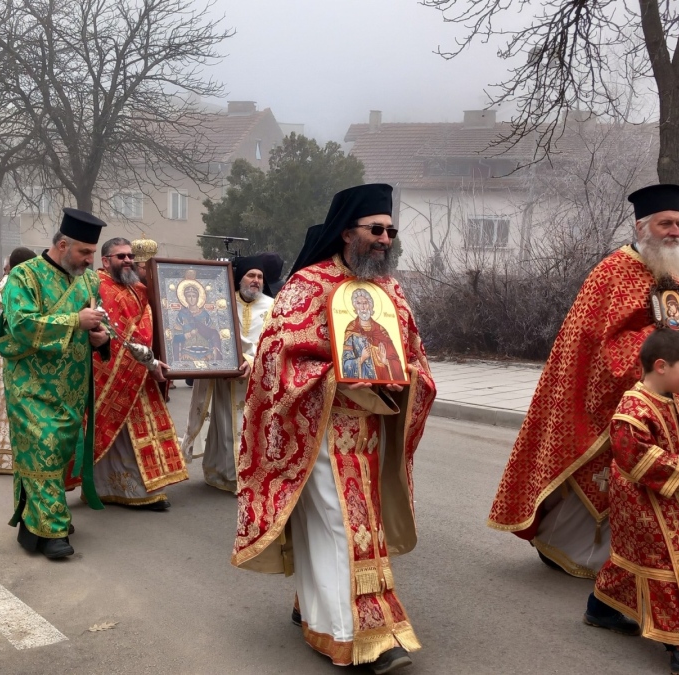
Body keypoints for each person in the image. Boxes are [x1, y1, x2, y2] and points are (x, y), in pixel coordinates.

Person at [231, 184, 437, 674]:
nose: (386, 238)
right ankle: (362, 638)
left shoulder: (389, 290)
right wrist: (339, 377)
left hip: (368, 430)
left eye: (390, 230)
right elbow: (276, 360)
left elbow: (414, 353)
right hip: (320, 426)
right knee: (343, 525)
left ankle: (313, 604)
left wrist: (410, 378)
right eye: (376, 229)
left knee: (353, 524)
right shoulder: (308, 285)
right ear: (348, 232)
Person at [487, 184, 679, 579]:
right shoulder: (613, 271)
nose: (675, 231)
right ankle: (567, 551)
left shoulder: (673, 276)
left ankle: (636, 565)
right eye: (666, 224)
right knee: (602, 481)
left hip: (659, 401)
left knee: (654, 478)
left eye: (678, 224)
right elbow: (604, 344)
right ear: (643, 227)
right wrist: (666, 348)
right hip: (606, 401)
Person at [586, 329, 679, 675]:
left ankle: (600, 608)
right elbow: (634, 455)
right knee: (667, 567)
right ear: (662, 366)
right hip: (639, 502)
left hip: (670, 497)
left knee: (630, 560)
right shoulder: (631, 409)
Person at [0, 208, 110, 560]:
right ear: (62, 244)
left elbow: (97, 323)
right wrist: (75, 319)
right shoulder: (24, 276)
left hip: (71, 387)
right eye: (84, 252)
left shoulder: (89, 281)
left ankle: (37, 519)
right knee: (42, 446)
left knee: (57, 454)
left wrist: (100, 338)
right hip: (30, 384)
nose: (90, 260)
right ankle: (53, 531)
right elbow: (19, 324)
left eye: (92, 252)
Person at [65, 237, 187, 508]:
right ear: (105, 261)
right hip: (110, 372)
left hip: (139, 372)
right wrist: (149, 362)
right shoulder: (98, 288)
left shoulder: (137, 288)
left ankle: (138, 488)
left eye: (130, 256)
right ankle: (116, 489)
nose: (128, 260)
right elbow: (115, 335)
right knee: (116, 433)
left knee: (138, 433)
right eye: (121, 257)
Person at [183, 254, 276, 492]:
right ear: (240, 278)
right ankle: (226, 474)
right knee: (225, 426)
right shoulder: (222, 303)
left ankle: (252, 476)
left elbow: (274, 342)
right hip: (227, 377)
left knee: (256, 429)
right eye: (250, 275)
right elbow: (211, 336)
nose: (256, 280)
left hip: (258, 379)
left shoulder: (272, 306)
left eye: (259, 276)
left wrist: (252, 360)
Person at [0, 247, 37, 474]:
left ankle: (0, 457)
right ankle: (5, 458)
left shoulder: (2, 283)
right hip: (11, 352)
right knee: (9, 403)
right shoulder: (16, 285)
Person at [342, 288, 406, 381]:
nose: (362, 307)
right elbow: (346, 362)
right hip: (363, 381)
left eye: (365, 303)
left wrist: (385, 361)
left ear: (370, 305)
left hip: (383, 379)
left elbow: (395, 359)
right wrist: (361, 358)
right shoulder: (351, 330)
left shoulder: (381, 330)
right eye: (359, 303)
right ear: (355, 306)